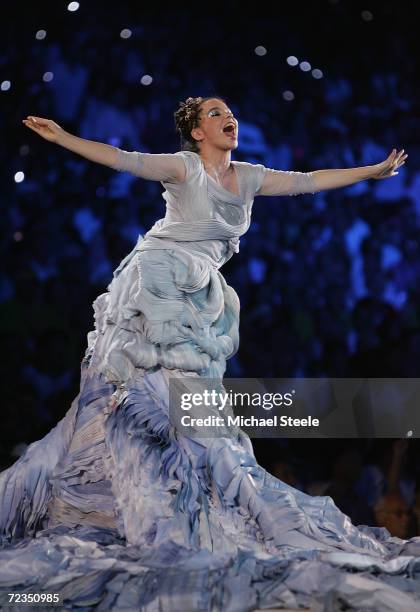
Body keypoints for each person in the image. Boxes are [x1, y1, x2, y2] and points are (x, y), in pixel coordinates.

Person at [0, 96, 415, 611]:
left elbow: (308, 180)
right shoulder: (184, 167)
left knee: (193, 415)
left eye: (231, 113)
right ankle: (140, 501)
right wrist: (62, 138)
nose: (229, 118)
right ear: (197, 132)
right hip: (159, 280)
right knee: (149, 398)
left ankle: (171, 499)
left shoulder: (250, 176)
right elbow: (122, 158)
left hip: (200, 291)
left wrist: (370, 172)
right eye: (217, 114)